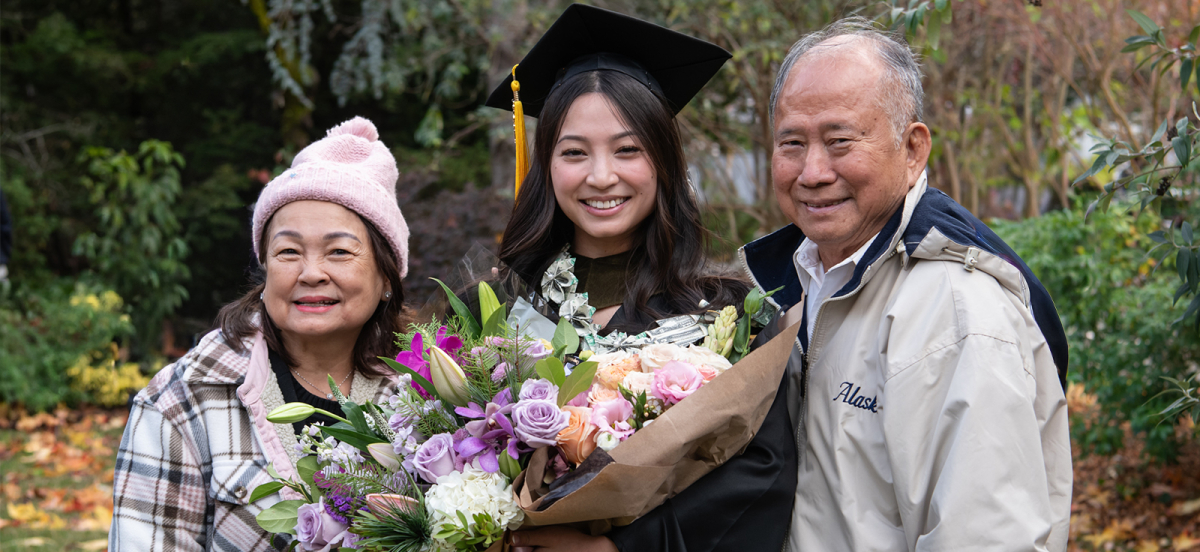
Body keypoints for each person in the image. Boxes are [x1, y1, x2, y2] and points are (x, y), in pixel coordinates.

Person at [740, 18, 1072, 551]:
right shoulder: (789, 285)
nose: (813, 170)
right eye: (792, 143)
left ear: (913, 149)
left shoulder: (956, 311)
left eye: (840, 140)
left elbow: (987, 538)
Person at [485, 5, 797, 552]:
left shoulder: (731, 317)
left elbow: (763, 480)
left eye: (627, 149)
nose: (601, 176)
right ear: (546, 164)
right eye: (574, 152)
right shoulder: (493, 310)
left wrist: (616, 549)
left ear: (663, 160)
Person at [109, 117, 410, 551]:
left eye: (339, 252)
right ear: (264, 270)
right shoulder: (187, 397)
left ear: (386, 276)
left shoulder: (423, 395)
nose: (310, 273)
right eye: (288, 252)